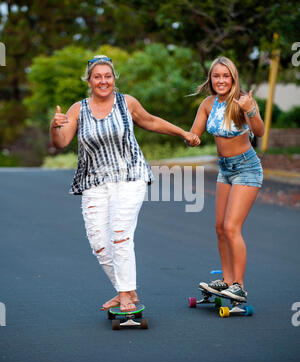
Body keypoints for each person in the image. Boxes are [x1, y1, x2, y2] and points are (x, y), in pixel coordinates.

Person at [50, 55, 200, 312]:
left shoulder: (126, 102)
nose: (103, 81)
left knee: (120, 236)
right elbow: (61, 142)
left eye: (107, 76)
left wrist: (183, 133)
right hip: (94, 182)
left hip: (130, 177)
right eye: (97, 77)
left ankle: (126, 296)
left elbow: (151, 121)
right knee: (99, 243)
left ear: (114, 79)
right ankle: (127, 292)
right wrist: (54, 127)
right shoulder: (78, 109)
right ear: (89, 80)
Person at [190, 56, 264, 302]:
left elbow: (260, 131)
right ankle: (228, 280)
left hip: (247, 168)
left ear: (233, 78)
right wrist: (188, 137)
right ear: (210, 78)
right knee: (220, 227)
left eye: (225, 76)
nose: (220, 80)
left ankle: (239, 286)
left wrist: (250, 111)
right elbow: (195, 133)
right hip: (225, 169)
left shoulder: (242, 101)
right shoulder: (208, 104)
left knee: (232, 227)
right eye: (216, 76)